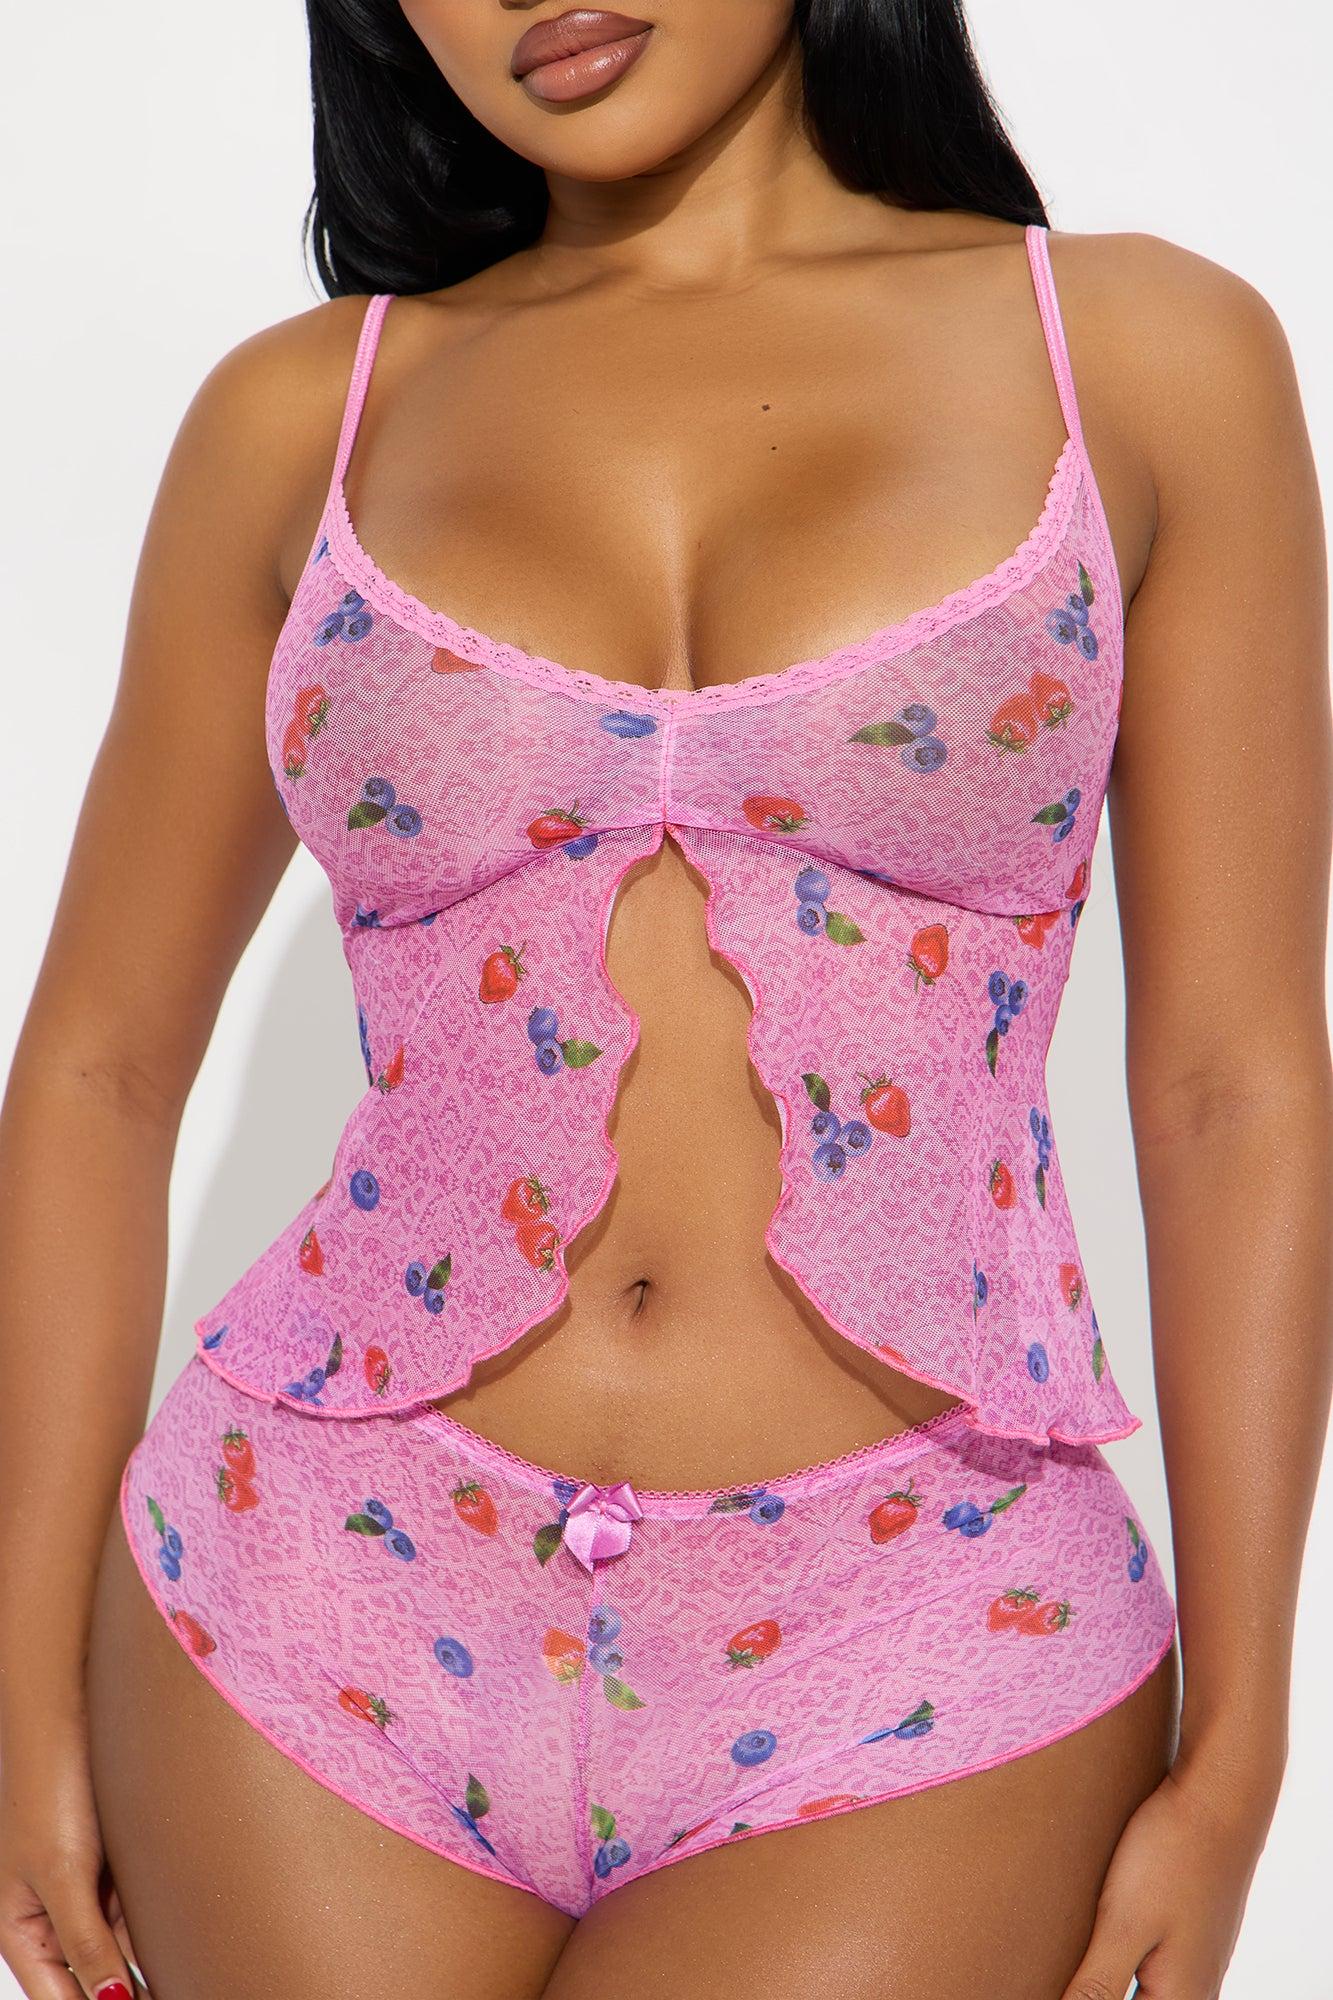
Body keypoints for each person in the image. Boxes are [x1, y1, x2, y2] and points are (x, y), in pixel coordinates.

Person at [1, 4, 1329, 1997]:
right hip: (305, 1584)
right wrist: (18, 1682)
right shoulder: (306, 416)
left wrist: (1241, 1750)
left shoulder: (1140, 358)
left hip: (924, 1621)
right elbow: (99, 1066)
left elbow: (1233, 1077)